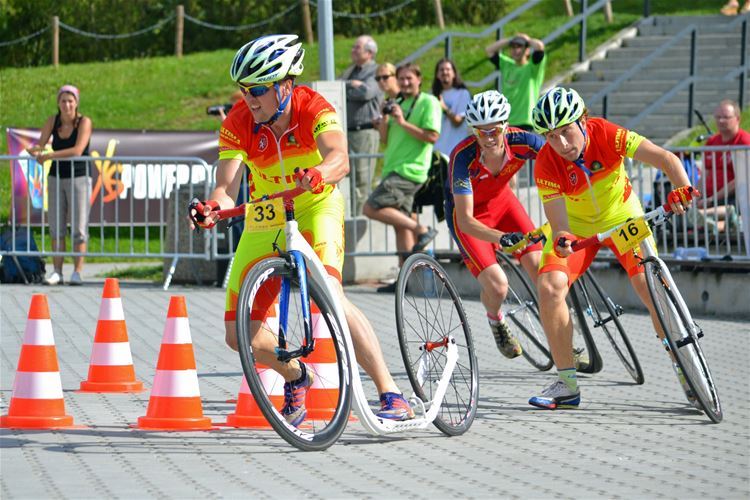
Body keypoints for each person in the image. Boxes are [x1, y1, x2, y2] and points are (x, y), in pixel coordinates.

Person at [189, 34, 414, 425]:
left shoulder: (312, 107)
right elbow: (225, 189)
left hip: (314, 205)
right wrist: (211, 208)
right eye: (244, 90)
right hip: (265, 217)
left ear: (285, 86)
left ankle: (390, 392)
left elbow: (340, 158)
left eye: (258, 89)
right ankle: (297, 376)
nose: (249, 99)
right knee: (236, 333)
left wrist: (318, 173)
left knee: (334, 299)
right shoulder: (239, 121)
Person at [528, 87, 696, 410]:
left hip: (622, 216)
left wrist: (682, 188)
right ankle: (567, 383)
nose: (561, 145)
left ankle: (682, 363)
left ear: (583, 121)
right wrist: (562, 239)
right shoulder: (546, 163)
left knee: (650, 288)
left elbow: (666, 159)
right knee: (549, 288)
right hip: (578, 228)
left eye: (565, 132)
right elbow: (559, 223)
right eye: (551, 137)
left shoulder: (606, 134)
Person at [445, 90, 545, 358]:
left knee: (542, 271)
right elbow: (466, 221)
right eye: (480, 132)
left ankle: (560, 330)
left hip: (504, 203)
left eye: (494, 131)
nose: (488, 138)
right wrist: (501, 238)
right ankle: (495, 319)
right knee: (498, 285)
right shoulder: (463, 157)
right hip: (471, 219)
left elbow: (559, 159)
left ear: (505, 126)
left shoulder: (522, 141)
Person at [363, 62, 442, 293]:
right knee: (401, 228)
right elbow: (387, 138)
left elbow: (432, 136)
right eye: (402, 79)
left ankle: (421, 229)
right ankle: (406, 281)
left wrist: (403, 121)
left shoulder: (429, 102)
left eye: (410, 78)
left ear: (419, 79)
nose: (406, 82)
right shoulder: (398, 102)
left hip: (409, 170)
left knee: (370, 207)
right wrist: (384, 122)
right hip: (394, 168)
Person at [27, 84, 93, 286]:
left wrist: (50, 155)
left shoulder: (84, 122)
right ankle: (57, 271)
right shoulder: (52, 121)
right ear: (58, 102)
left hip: (79, 178)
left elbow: (78, 150)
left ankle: (78, 272)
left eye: (70, 100)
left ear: (76, 103)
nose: (67, 104)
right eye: (63, 100)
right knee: (56, 226)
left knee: (79, 228)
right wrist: (35, 150)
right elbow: (42, 144)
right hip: (56, 177)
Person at [341, 35, 382, 215]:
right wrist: (352, 85)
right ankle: (350, 220)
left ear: (370, 52)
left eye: (357, 48)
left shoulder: (377, 71)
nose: (353, 50)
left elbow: (366, 93)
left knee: (362, 180)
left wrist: (346, 88)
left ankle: (360, 220)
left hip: (365, 132)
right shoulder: (351, 72)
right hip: (347, 133)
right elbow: (337, 87)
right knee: (347, 180)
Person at [697, 99, 750, 224]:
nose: (721, 121)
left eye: (726, 117)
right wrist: (695, 196)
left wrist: (712, 199)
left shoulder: (744, 142)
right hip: (709, 198)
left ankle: (701, 216)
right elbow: (705, 175)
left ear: (737, 119)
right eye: (718, 117)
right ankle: (704, 219)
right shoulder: (711, 142)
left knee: (734, 206)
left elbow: (741, 178)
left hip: (732, 197)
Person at [485, 33, 546, 131]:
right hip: (506, 121)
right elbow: (489, 50)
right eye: (513, 47)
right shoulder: (506, 65)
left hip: (526, 122)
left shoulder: (533, 67)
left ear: (527, 50)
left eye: (519, 46)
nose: (516, 50)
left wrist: (527, 39)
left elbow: (539, 46)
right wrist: (510, 39)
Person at [431, 58, 471, 157]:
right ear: (437, 75)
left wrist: (444, 108)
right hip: (436, 152)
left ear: (454, 73)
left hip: (456, 151)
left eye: (448, 69)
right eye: (441, 70)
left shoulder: (463, 94)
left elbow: (458, 122)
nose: (444, 72)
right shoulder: (432, 96)